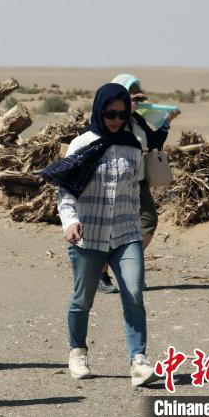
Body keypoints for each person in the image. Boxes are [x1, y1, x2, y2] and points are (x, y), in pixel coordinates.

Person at [40, 82, 158, 387]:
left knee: (133, 293)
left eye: (122, 114)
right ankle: (77, 351)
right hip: (88, 236)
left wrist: (139, 222)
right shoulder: (82, 144)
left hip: (126, 234)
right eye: (110, 114)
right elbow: (66, 191)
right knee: (82, 299)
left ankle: (139, 361)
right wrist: (70, 222)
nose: (116, 120)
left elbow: (136, 190)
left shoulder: (133, 146)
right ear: (98, 111)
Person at [96, 73, 180, 293]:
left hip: (138, 181)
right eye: (130, 96)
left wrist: (167, 123)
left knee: (147, 221)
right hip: (113, 182)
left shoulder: (137, 120)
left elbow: (153, 142)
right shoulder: (109, 118)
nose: (135, 101)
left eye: (136, 97)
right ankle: (101, 275)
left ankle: (125, 263)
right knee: (110, 228)